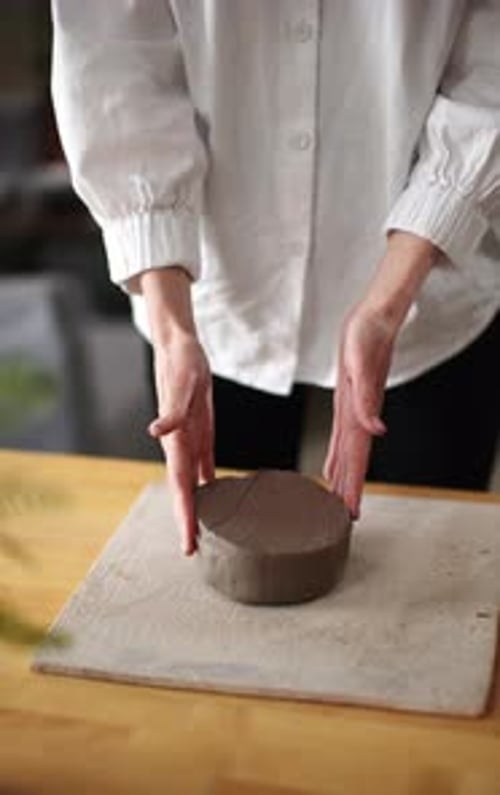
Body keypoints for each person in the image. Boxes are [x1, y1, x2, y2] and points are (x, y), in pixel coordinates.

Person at [51, 1, 500, 554]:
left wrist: (387, 305)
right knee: (221, 553)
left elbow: (490, 74)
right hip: (207, 301)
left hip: (431, 293)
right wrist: (172, 331)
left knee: (434, 572)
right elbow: (111, 65)